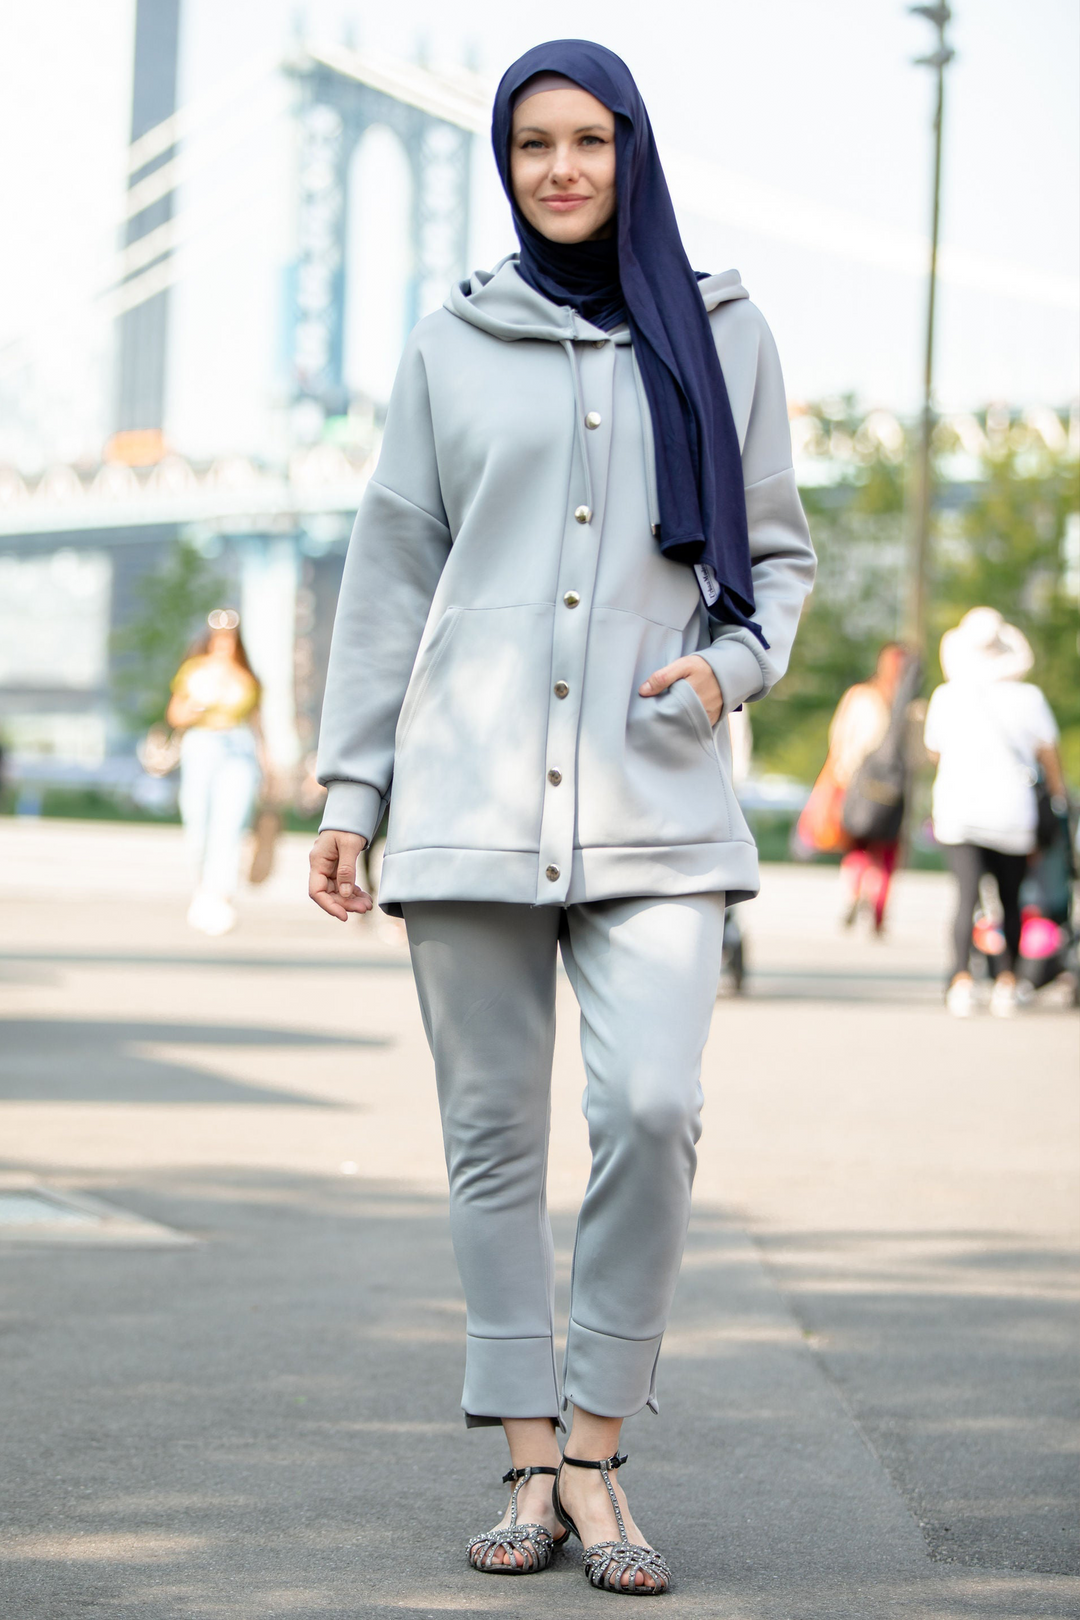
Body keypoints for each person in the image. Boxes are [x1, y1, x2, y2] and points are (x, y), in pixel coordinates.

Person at [309, 41, 815, 1594]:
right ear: (507, 161)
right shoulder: (453, 342)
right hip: (464, 793)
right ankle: (531, 1458)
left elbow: (777, 559)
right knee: (489, 1143)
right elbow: (394, 567)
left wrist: (728, 677)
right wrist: (352, 788)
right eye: (533, 144)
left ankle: (599, 1446)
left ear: (633, 150)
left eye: (590, 139)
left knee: (653, 1109)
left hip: (655, 790)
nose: (563, 169)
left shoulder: (724, 331)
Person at [924, 607, 1067, 1018]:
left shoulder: (947, 697)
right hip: (1012, 813)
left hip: (960, 809)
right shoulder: (1029, 699)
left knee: (966, 897)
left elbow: (934, 751)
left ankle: (960, 980)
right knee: (1009, 898)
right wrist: (1057, 804)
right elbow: (1049, 760)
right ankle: (1007, 981)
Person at [167, 609, 264, 936]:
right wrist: (195, 707)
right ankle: (202, 887)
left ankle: (220, 894)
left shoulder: (246, 677)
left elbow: (257, 724)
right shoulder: (194, 671)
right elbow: (175, 715)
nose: (224, 643)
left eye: (230, 638)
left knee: (232, 822)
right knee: (198, 818)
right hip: (202, 744)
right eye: (219, 637)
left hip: (238, 747)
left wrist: (270, 766)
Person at [826, 644, 911, 933]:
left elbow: (840, 736)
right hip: (879, 785)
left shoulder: (879, 700)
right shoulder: (898, 703)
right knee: (874, 848)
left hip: (866, 784)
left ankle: (867, 902)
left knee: (866, 846)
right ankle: (870, 906)